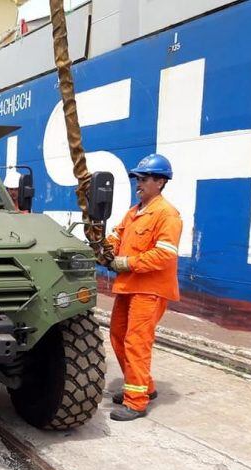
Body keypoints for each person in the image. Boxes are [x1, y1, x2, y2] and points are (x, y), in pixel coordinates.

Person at [105, 154, 182, 421]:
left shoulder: (166, 215)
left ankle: (136, 402)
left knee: (137, 342)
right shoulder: (134, 212)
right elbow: (116, 236)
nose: (139, 183)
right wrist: (104, 248)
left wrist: (127, 262)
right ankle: (141, 386)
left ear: (160, 182)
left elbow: (165, 255)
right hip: (128, 286)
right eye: (138, 178)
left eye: (144, 178)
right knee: (117, 335)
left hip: (149, 289)